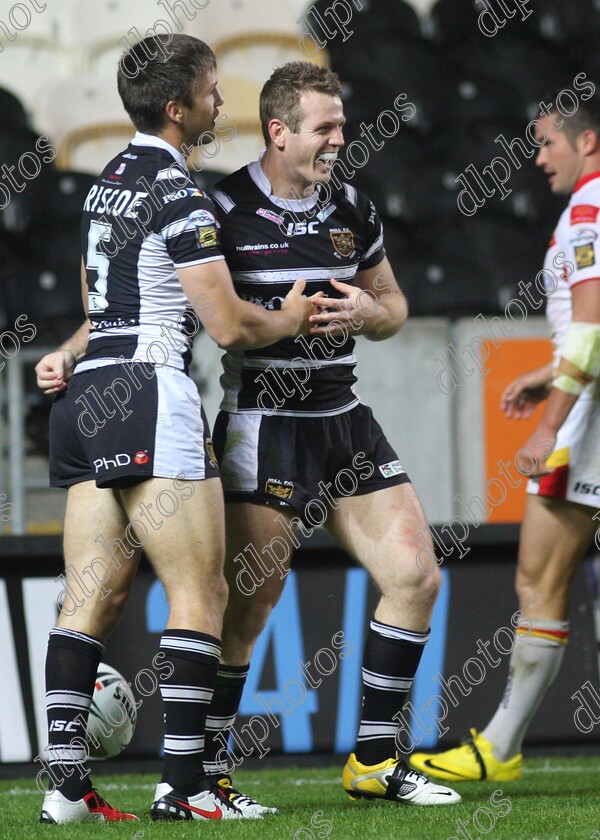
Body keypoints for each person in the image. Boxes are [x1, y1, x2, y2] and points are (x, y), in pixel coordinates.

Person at [35, 35, 316, 824]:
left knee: (92, 593)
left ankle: (65, 788)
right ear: (177, 105)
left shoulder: (105, 184)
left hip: (90, 395)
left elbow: (103, 311)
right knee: (202, 589)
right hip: (152, 392)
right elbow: (226, 326)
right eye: (212, 90)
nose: (221, 101)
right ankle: (185, 786)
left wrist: (64, 352)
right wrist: (290, 315)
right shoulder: (179, 193)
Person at [196, 61, 461, 807]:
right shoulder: (222, 208)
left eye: (342, 125)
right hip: (264, 424)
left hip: (345, 422)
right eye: (326, 128)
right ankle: (206, 774)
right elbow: (201, 316)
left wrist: (368, 316)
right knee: (251, 606)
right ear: (279, 133)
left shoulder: (353, 205)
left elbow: (395, 305)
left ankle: (375, 763)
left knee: (416, 578)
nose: (342, 139)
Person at [409, 90, 600, 782]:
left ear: (588, 142)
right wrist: (551, 376)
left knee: (539, 581)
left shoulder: (588, 209)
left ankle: (500, 748)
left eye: (548, 142)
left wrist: (550, 424)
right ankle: (500, 744)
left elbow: (591, 329)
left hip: (587, 427)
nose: (538, 156)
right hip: (583, 402)